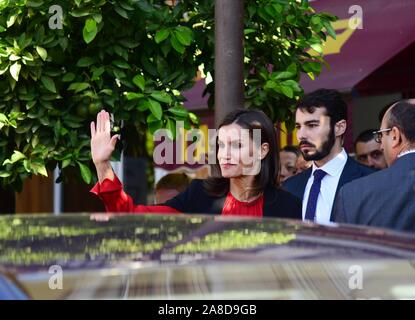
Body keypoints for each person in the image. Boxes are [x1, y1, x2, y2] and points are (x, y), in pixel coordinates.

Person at [90, 109, 302, 218]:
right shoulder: (200, 195)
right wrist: (102, 165)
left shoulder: (289, 206)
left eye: (236, 145)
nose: (224, 155)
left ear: (262, 150)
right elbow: (132, 216)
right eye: (221, 145)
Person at [282, 89, 374, 224]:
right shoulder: (290, 186)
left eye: (312, 125)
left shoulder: (369, 181)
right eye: (298, 126)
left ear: (339, 127)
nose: (301, 135)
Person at [334, 100, 415, 231]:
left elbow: (345, 250)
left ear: (395, 136)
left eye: (381, 136)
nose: (382, 146)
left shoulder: (353, 194)